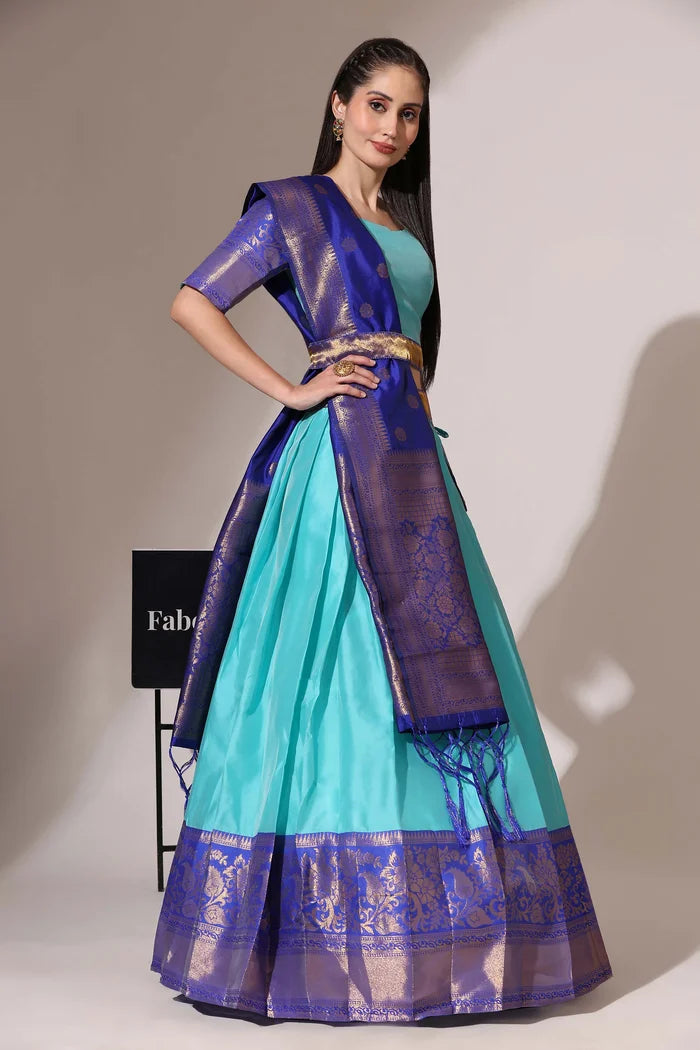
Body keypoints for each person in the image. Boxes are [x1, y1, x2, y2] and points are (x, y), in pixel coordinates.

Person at [150, 36, 613, 1024]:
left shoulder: (401, 224)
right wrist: (291, 390)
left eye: (409, 114)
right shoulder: (294, 210)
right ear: (337, 105)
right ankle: (301, 944)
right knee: (332, 677)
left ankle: (447, 945)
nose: (392, 128)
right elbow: (191, 301)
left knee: (435, 665)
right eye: (376, 106)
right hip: (333, 474)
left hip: (410, 470)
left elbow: (410, 352)